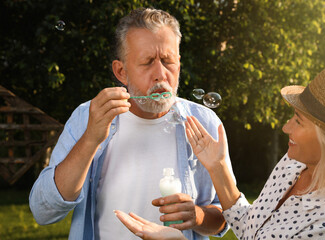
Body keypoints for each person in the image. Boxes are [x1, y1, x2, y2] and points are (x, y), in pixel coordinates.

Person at [29, 8, 235, 240]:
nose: (160, 74)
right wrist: (91, 138)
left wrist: (198, 216)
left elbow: (228, 215)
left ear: (179, 63)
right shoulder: (87, 116)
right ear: (121, 71)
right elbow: (43, 211)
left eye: (168, 61)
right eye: (147, 62)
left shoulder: (204, 122)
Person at [115, 65, 325, 239]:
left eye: (298, 121)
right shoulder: (294, 163)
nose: (286, 127)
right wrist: (217, 167)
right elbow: (251, 229)